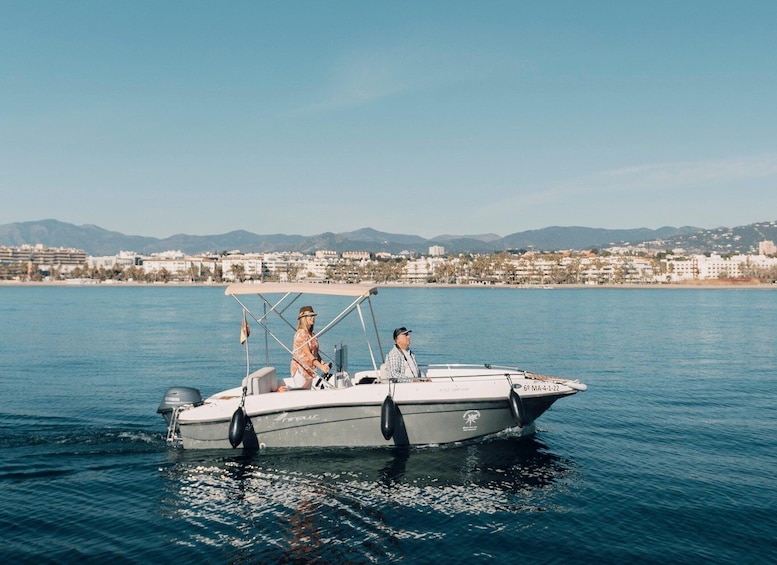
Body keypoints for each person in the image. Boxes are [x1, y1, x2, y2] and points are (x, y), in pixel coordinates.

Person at [288, 305, 331, 389]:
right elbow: (308, 354)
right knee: (303, 395)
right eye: (310, 316)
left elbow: (315, 353)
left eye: (313, 316)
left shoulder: (311, 334)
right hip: (301, 370)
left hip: (310, 370)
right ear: (304, 318)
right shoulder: (301, 334)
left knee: (308, 394)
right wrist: (321, 367)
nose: (313, 318)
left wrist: (323, 363)